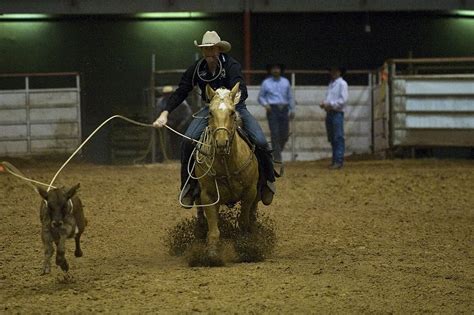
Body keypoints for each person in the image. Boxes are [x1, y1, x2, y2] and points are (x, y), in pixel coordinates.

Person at [153, 31, 276, 207]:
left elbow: (242, 88)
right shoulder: (197, 68)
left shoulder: (232, 65)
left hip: (235, 107)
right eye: (206, 49)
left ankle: (267, 182)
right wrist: (165, 113)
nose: (209, 52)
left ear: (219, 49)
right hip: (210, 109)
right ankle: (188, 185)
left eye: (212, 49)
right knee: (188, 141)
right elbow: (181, 91)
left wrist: (231, 104)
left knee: (261, 142)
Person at [258, 64, 295, 162]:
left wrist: (292, 109)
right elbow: (261, 97)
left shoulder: (285, 82)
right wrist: (266, 104)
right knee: (274, 133)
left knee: (284, 134)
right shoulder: (266, 83)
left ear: (280, 70)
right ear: (270, 70)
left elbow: (290, 96)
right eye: (273, 68)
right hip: (272, 109)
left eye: (277, 68)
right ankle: (277, 157)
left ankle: (277, 151)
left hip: (284, 109)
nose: (275, 70)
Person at [320, 66, 349, 169]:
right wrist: (326, 104)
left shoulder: (342, 83)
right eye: (332, 70)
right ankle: (336, 160)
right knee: (333, 138)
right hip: (331, 112)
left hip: (336, 113)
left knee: (337, 137)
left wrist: (328, 104)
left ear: (340, 72)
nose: (333, 72)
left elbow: (343, 101)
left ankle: (338, 161)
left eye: (335, 70)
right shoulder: (332, 84)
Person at [155, 86, 192, 160]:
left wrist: (182, 124)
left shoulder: (181, 101)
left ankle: (181, 156)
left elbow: (188, 113)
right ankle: (165, 156)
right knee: (168, 140)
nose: (167, 95)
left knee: (182, 140)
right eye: (166, 94)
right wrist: (161, 121)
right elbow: (157, 113)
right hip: (168, 123)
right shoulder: (161, 102)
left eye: (169, 94)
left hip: (181, 122)